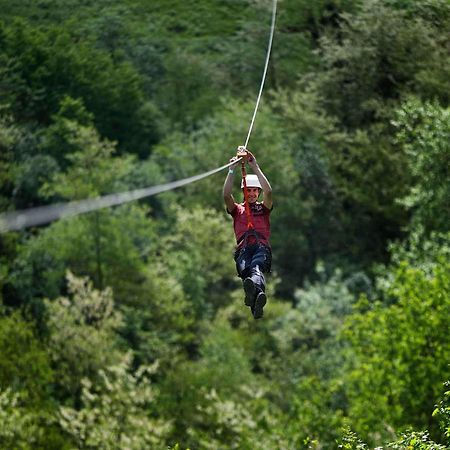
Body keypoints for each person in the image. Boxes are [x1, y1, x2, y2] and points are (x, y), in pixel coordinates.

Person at [223, 147, 273, 319]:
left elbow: (269, 192)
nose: (251, 193)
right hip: (243, 250)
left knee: (255, 267)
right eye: (248, 190)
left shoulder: (263, 208)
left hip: (261, 248)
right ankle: (257, 301)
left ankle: (257, 299)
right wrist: (231, 170)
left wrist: (255, 166)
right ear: (244, 192)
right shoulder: (237, 210)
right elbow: (226, 194)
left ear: (257, 192)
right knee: (246, 271)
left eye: (254, 191)